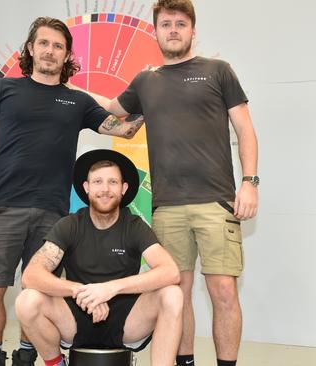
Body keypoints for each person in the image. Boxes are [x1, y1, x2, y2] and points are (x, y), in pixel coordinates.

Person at [75, 1, 259, 365]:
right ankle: (185, 361)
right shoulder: (147, 80)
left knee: (223, 291)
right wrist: (67, 88)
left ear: (192, 30)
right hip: (167, 206)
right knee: (177, 291)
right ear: (156, 31)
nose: (173, 29)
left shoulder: (218, 71)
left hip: (216, 202)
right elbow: (112, 107)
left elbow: (245, 128)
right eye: (165, 24)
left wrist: (250, 182)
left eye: (180, 23)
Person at [0, 17, 144, 366]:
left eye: (58, 46)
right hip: (3, 208)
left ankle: (28, 356)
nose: (50, 50)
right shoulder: (4, 89)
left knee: (39, 291)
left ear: (66, 55)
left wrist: (149, 92)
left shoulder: (76, 101)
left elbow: (125, 129)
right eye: (43, 43)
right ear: (30, 49)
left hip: (52, 214)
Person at [15, 149, 183, 366]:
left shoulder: (135, 226)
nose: (105, 189)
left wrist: (110, 288)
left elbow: (170, 271)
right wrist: (81, 292)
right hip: (75, 317)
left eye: (113, 182)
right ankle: (56, 364)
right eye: (97, 182)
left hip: (127, 320)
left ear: (123, 189)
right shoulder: (70, 225)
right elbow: (31, 276)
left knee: (173, 294)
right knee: (27, 301)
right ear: (86, 188)